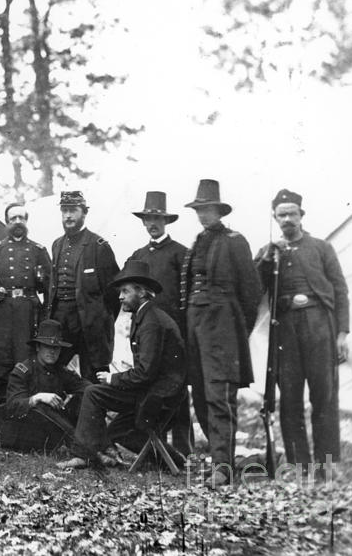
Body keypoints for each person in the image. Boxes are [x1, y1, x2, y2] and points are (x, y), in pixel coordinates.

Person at [255, 189, 349, 470]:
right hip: (286, 331)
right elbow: (255, 287)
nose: (287, 219)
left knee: (324, 397)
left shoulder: (321, 248)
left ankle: (327, 464)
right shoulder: (269, 252)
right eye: (282, 215)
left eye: (292, 214)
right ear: (275, 217)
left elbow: (341, 290)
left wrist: (342, 333)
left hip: (320, 327)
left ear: (301, 215)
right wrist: (265, 261)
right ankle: (299, 465)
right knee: (290, 399)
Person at [66, 260, 186, 469]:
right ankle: (174, 461)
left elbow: (145, 373)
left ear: (141, 292)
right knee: (115, 432)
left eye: (125, 291)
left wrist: (113, 378)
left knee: (93, 392)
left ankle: (83, 455)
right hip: (158, 393)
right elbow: (148, 369)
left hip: (158, 398)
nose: (120, 296)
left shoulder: (152, 322)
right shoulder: (147, 316)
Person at [181, 179, 261, 486]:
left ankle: (222, 466)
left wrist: (238, 331)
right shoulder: (197, 242)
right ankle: (218, 457)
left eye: (208, 209)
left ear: (219, 210)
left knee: (219, 396)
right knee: (199, 393)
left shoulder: (235, 241)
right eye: (199, 210)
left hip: (223, 328)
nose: (203, 215)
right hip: (195, 327)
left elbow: (251, 294)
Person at [125, 191, 192, 455]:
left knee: (177, 392)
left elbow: (185, 298)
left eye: (157, 218)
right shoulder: (138, 256)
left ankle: (182, 450)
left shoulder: (181, 254)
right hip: (147, 335)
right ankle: (155, 451)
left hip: (174, 335)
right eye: (148, 218)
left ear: (165, 221)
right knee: (149, 387)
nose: (152, 223)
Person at [0, 203, 52, 441]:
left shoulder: (38, 250)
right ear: (6, 222)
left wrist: (43, 320)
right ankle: (4, 434)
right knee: (2, 374)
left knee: (26, 373)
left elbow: (49, 289)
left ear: (27, 221)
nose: (17, 222)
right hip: (3, 317)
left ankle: (28, 434)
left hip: (28, 316)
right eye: (12, 218)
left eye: (21, 218)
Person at [48, 191, 120, 379]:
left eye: (73, 210)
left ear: (84, 212)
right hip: (61, 322)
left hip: (91, 325)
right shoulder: (56, 245)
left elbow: (114, 295)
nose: (68, 216)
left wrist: (100, 318)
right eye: (64, 210)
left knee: (94, 380)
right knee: (54, 375)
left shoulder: (98, 245)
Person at [2, 319, 88, 453]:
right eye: (48, 346)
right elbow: (12, 406)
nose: (52, 352)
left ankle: (98, 446)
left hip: (48, 435)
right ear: (38, 347)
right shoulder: (23, 370)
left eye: (56, 348)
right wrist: (37, 398)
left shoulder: (60, 370)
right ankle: (82, 448)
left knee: (85, 397)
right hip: (22, 435)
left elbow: (84, 387)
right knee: (40, 407)